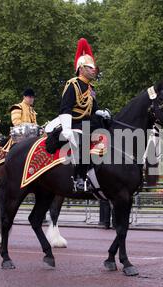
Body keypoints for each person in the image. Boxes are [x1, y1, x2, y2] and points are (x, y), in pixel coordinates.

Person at [59, 38, 110, 192]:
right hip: (75, 123)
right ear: (81, 68)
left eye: (94, 68)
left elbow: (93, 109)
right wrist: (67, 128)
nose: (94, 70)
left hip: (88, 122)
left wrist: (101, 112)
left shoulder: (90, 88)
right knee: (85, 137)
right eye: (90, 68)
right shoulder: (73, 84)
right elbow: (66, 107)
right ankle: (79, 177)